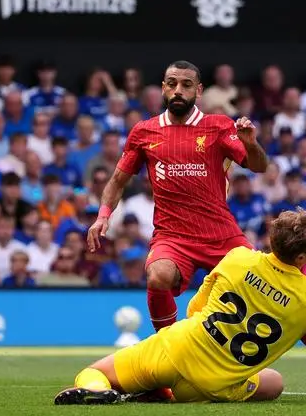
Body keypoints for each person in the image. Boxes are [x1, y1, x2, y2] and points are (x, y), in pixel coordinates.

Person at [56, 209, 306, 405]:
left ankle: (105, 392)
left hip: (175, 349)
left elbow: (195, 310)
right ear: (304, 255)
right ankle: (166, 392)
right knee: (275, 382)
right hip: (216, 386)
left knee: (94, 372)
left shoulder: (238, 257)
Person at [87, 60, 269, 331]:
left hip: (220, 233)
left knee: (266, 287)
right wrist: (103, 216)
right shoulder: (144, 132)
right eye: (172, 84)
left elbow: (259, 166)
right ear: (163, 88)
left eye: (186, 84)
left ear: (198, 90)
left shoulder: (218, 126)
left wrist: (251, 144)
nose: (178, 90)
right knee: (158, 276)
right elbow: (116, 181)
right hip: (172, 236)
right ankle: (168, 347)